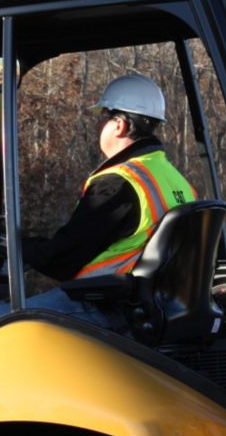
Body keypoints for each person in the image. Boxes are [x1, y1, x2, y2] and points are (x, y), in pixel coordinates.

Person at [28, 73, 197, 283]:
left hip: (105, 299)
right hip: (156, 297)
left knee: (6, 307)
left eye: (103, 117)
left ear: (119, 125)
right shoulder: (178, 181)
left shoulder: (118, 183)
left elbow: (60, 261)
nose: (98, 126)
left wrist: (15, 247)